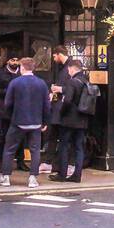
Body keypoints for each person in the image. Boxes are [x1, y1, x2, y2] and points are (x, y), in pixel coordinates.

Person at [0, 55, 51, 189]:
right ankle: (32, 179)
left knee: (9, 149)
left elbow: (8, 103)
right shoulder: (41, 83)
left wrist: (10, 117)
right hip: (36, 122)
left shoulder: (15, 83)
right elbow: (46, 105)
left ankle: (6, 177)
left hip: (18, 121)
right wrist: (45, 122)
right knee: (35, 151)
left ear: (22, 68)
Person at [51, 58, 89, 184]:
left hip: (69, 120)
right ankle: (77, 175)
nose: (68, 71)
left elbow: (67, 100)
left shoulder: (72, 82)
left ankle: (62, 174)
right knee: (79, 148)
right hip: (82, 119)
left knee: (64, 146)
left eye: (69, 69)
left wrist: (61, 112)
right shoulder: (85, 81)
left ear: (72, 68)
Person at [0, 53, 25, 171]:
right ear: (7, 61)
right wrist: (10, 91)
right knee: (3, 136)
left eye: (17, 60)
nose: (15, 62)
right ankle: (1, 161)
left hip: (19, 109)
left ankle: (21, 161)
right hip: (4, 109)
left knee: (21, 136)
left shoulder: (22, 73)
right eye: (12, 60)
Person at [45, 44, 69, 173]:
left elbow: (75, 87)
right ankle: (49, 162)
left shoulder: (69, 68)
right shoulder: (63, 68)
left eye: (54, 56)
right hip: (57, 108)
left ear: (59, 54)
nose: (53, 59)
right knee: (53, 134)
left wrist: (59, 89)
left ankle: (59, 164)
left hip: (63, 109)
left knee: (61, 137)